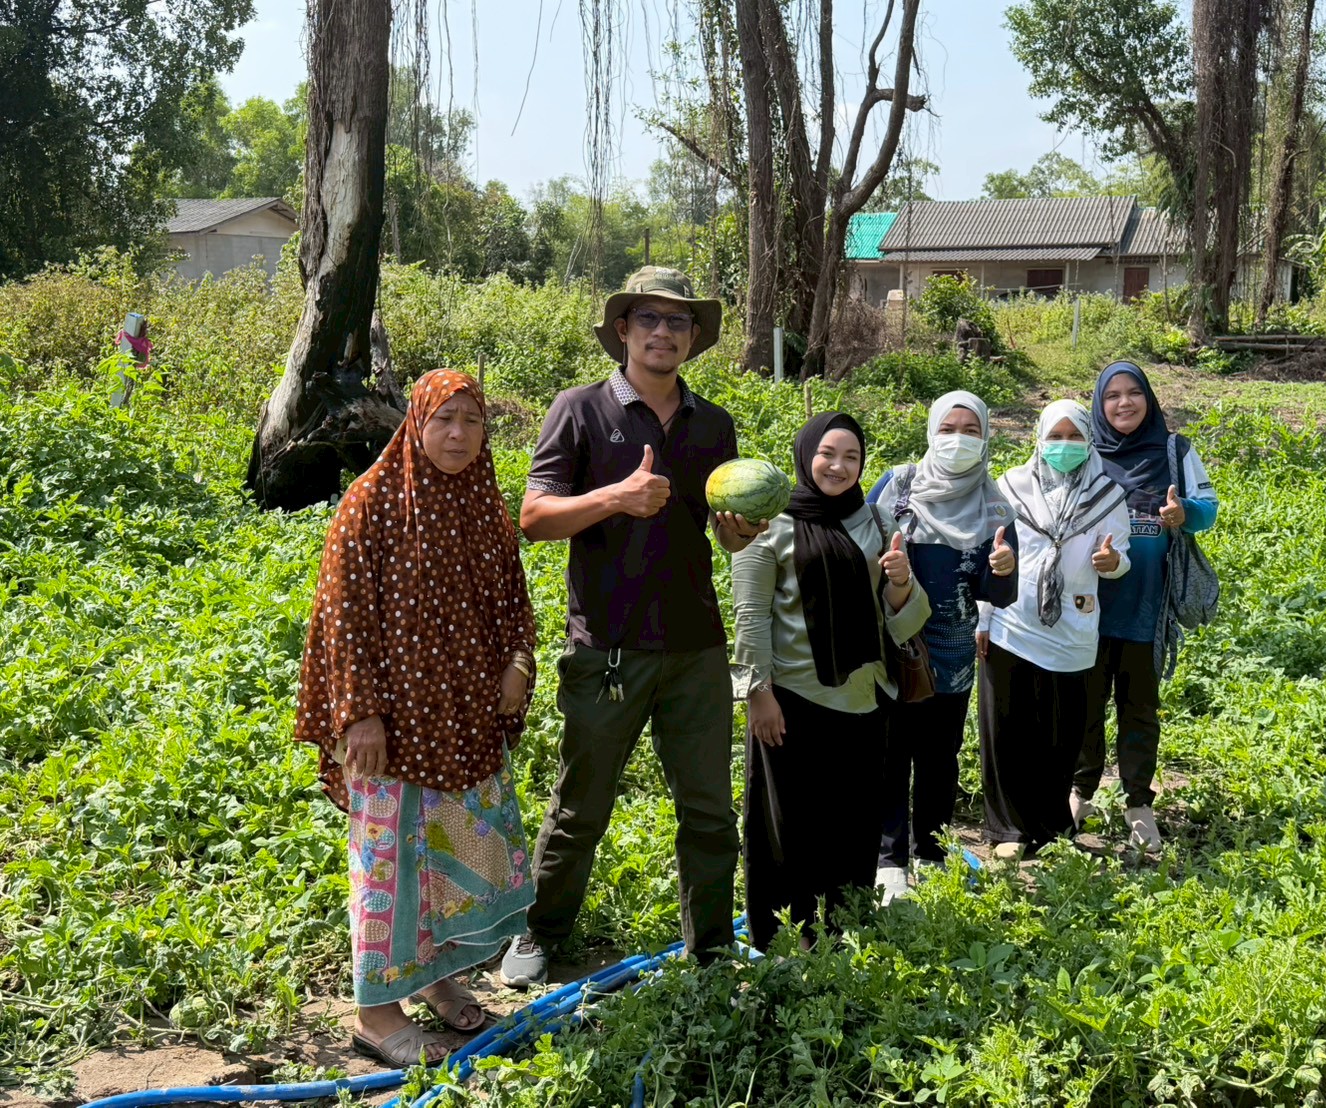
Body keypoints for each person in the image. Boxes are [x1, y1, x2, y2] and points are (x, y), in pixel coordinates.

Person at [501, 267, 765, 988]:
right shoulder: (579, 409)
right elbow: (534, 518)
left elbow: (723, 535)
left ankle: (711, 949)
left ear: (693, 337)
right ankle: (540, 930)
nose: (662, 333)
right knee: (581, 805)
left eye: (677, 321)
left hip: (695, 647)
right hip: (607, 647)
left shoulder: (713, 424)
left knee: (708, 811)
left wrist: (741, 532)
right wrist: (616, 496)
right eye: (648, 318)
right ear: (622, 330)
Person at [294, 370, 538, 1067]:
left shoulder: (482, 504)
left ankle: (437, 979)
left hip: (464, 722)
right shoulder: (371, 504)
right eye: (443, 420)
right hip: (393, 732)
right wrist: (359, 716)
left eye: (471, 420)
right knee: (392, 864)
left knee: (453, 850)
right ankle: (376, 1015)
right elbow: (342, 618)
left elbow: (513, 601)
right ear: (416, 425)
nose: (458, 435)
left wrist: (518, 664)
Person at [733, 412, 931, 951]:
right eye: (827, 453)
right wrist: (757, 694)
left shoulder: (877, 519)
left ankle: (845, 929)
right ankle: (784, 939)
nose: (838, 466)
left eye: (851, 457)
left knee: (853, 823)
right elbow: (750, 617)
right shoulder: (768, 523)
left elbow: (902, 620)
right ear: (805, 455)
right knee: (788, 827)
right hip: (791, 699)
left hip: (865, 698)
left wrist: (900, 582)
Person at [867, 391, 1020, 901]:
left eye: (971, 431)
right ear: (932, 431)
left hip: (952, 651)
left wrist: (1003, 570)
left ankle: (930, 850)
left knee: (939, 754)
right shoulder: (899, 485)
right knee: (890, 752)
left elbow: (999, 593)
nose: (959, 440)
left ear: (986, 437)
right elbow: (860, 547)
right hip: (895, 642)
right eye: (949, 429)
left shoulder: (996, 506)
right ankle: (890, 857)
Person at [1072, 361, 1218, 851]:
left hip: (1145, 609)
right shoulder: (1086, 451)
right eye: (1112, 395)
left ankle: (1138, 803)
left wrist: (1184, 513)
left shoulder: (1174, 450)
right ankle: (1080, 793)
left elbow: (1208, 509)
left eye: (1134, 392)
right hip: (1088, 608)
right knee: (1085, 706)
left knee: (1139, 709)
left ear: (1149, 398)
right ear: (1099, 403)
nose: (1124, 403)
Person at [977, 400, 1131, 859]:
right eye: (1056, 437)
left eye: (1075, 437)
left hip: (1072, 626)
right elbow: (988, 552)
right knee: (1006, 728)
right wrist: (983, 617)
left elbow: (1121, 556)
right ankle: (1008, 830)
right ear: (1039, 440)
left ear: (1089, 440)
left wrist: (1112, 562)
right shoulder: (1011, 487)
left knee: (1061, 732)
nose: (1065, 446)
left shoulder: (1107, 495)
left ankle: (1050, 828)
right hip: (1012, 621)